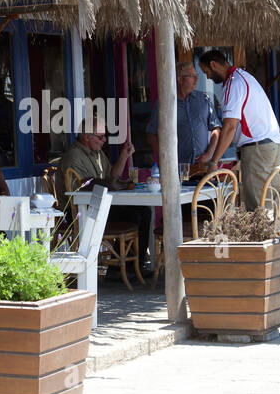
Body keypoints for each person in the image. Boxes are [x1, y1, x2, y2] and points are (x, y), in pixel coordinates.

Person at [55, 116, 154, 270]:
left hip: (97, 206)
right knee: (136, 215)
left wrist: (124, 156)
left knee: (143, 211)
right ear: (87, 137)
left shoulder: (97, 153)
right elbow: (79, 191)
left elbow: (111, 177)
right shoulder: (73, 157)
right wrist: (106, 184)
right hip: (79, 212)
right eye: (101, 137)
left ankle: (130, 267)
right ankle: (125, 269)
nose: (105, 140)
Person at [198, 49, 280, 211]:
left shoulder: (233, 82)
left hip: (257, 148)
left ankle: (267, 237)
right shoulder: (244, 77)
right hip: (271, 145)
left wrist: (214, 162)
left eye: (206, 71)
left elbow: (230, 127)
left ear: (214, 64)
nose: (207, 76)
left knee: (259, 208)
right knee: (273, 205)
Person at [146, 63, 221, 172]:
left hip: (203, 167)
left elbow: (216, 128)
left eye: (197, 75)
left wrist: (209, 154)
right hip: (177, 169)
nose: (196, 79)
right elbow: (152, 132)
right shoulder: (165, 103)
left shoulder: (204, 99)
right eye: (192, 76)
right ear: (180, 79)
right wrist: (164, 158)